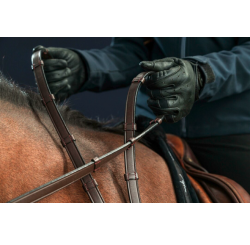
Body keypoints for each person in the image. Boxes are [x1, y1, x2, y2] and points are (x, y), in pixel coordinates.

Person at [33, 37, 250, 193]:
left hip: (231, 130)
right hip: (153, 128)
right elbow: (133, 51)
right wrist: (87, 67)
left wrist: (202, 74)